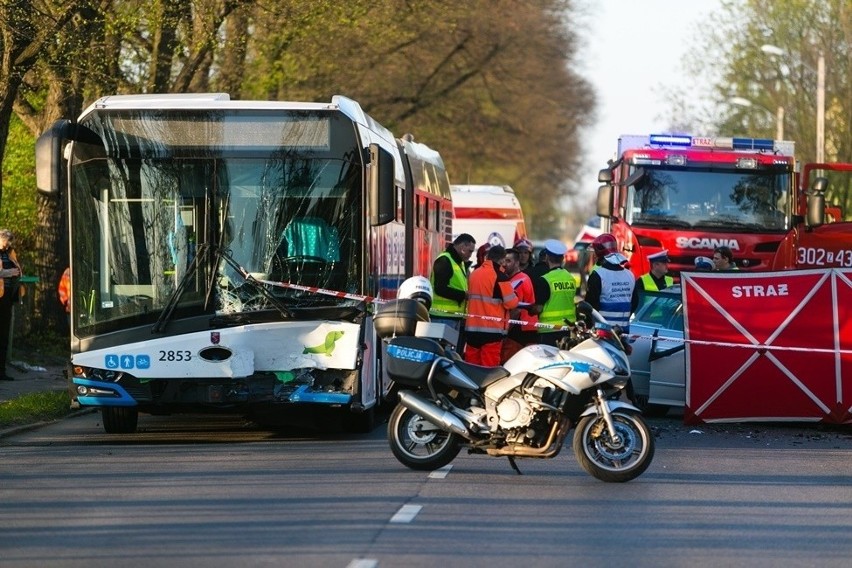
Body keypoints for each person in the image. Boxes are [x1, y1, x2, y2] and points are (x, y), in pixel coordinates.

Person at [464, 245, 518, 366]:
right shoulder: (500, 276)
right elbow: (511, 303)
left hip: (472, 329)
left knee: (470, 367)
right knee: (489, 370)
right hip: (492, 330)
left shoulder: (474, 274)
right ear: (502, 260)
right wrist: (515, 295)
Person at [430, 233, 476, 352]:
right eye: (470, 251)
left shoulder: (458, 262)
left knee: (449, 353)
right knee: (443, 353)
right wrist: (463, 295)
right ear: (462, 247)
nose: (471, 255)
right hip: (442, 316)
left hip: (452, 317)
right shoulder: (445, 260)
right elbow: (440, 288)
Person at [583, 233, 634, 330]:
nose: (593, 255)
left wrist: (589, 326)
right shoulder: (630, 275)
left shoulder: (598, 275)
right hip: (624, 330)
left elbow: (590, 305)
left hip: (603, 331)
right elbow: (635, 302)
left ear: (599, 253)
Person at [532, 239, 577, 346]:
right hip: (567, 328)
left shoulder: (545, 280)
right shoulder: (570, 278)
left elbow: (538, 308)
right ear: (562, 258)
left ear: (546, 257)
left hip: (548, 330)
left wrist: (529, 308)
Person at [500, 247, 538, 363]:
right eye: (503, 261)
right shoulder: (516, 279)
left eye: (508, 261)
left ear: (517, 263)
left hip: (520, 329)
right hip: (525, 328)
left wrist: (504, 332)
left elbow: (516, 310)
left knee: (509, 363)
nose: (505, 264)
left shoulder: (519, 281)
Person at [0, 229, 22, 381]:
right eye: (6, 241)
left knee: (4, 333)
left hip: (7, 295)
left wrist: (17, 272)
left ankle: (2, 370)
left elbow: (18, 269)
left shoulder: (9, 253)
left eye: (9, 242)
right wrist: (11, 273)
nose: (8, 244)